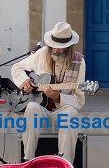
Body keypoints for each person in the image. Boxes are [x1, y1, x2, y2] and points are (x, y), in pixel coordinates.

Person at [11, 22, 86, 164]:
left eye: (61, 47)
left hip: (62, 111)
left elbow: (79, 101)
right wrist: (25, 81)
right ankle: (28, 160)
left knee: (70, 114)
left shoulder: (79, 62)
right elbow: (17, 67)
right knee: (32, 107)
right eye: (54, 45)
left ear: (69, 47)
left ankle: (65, 163)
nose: (56, 49)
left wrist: (58, 97)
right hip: (42, 110)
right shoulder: (41, 54)